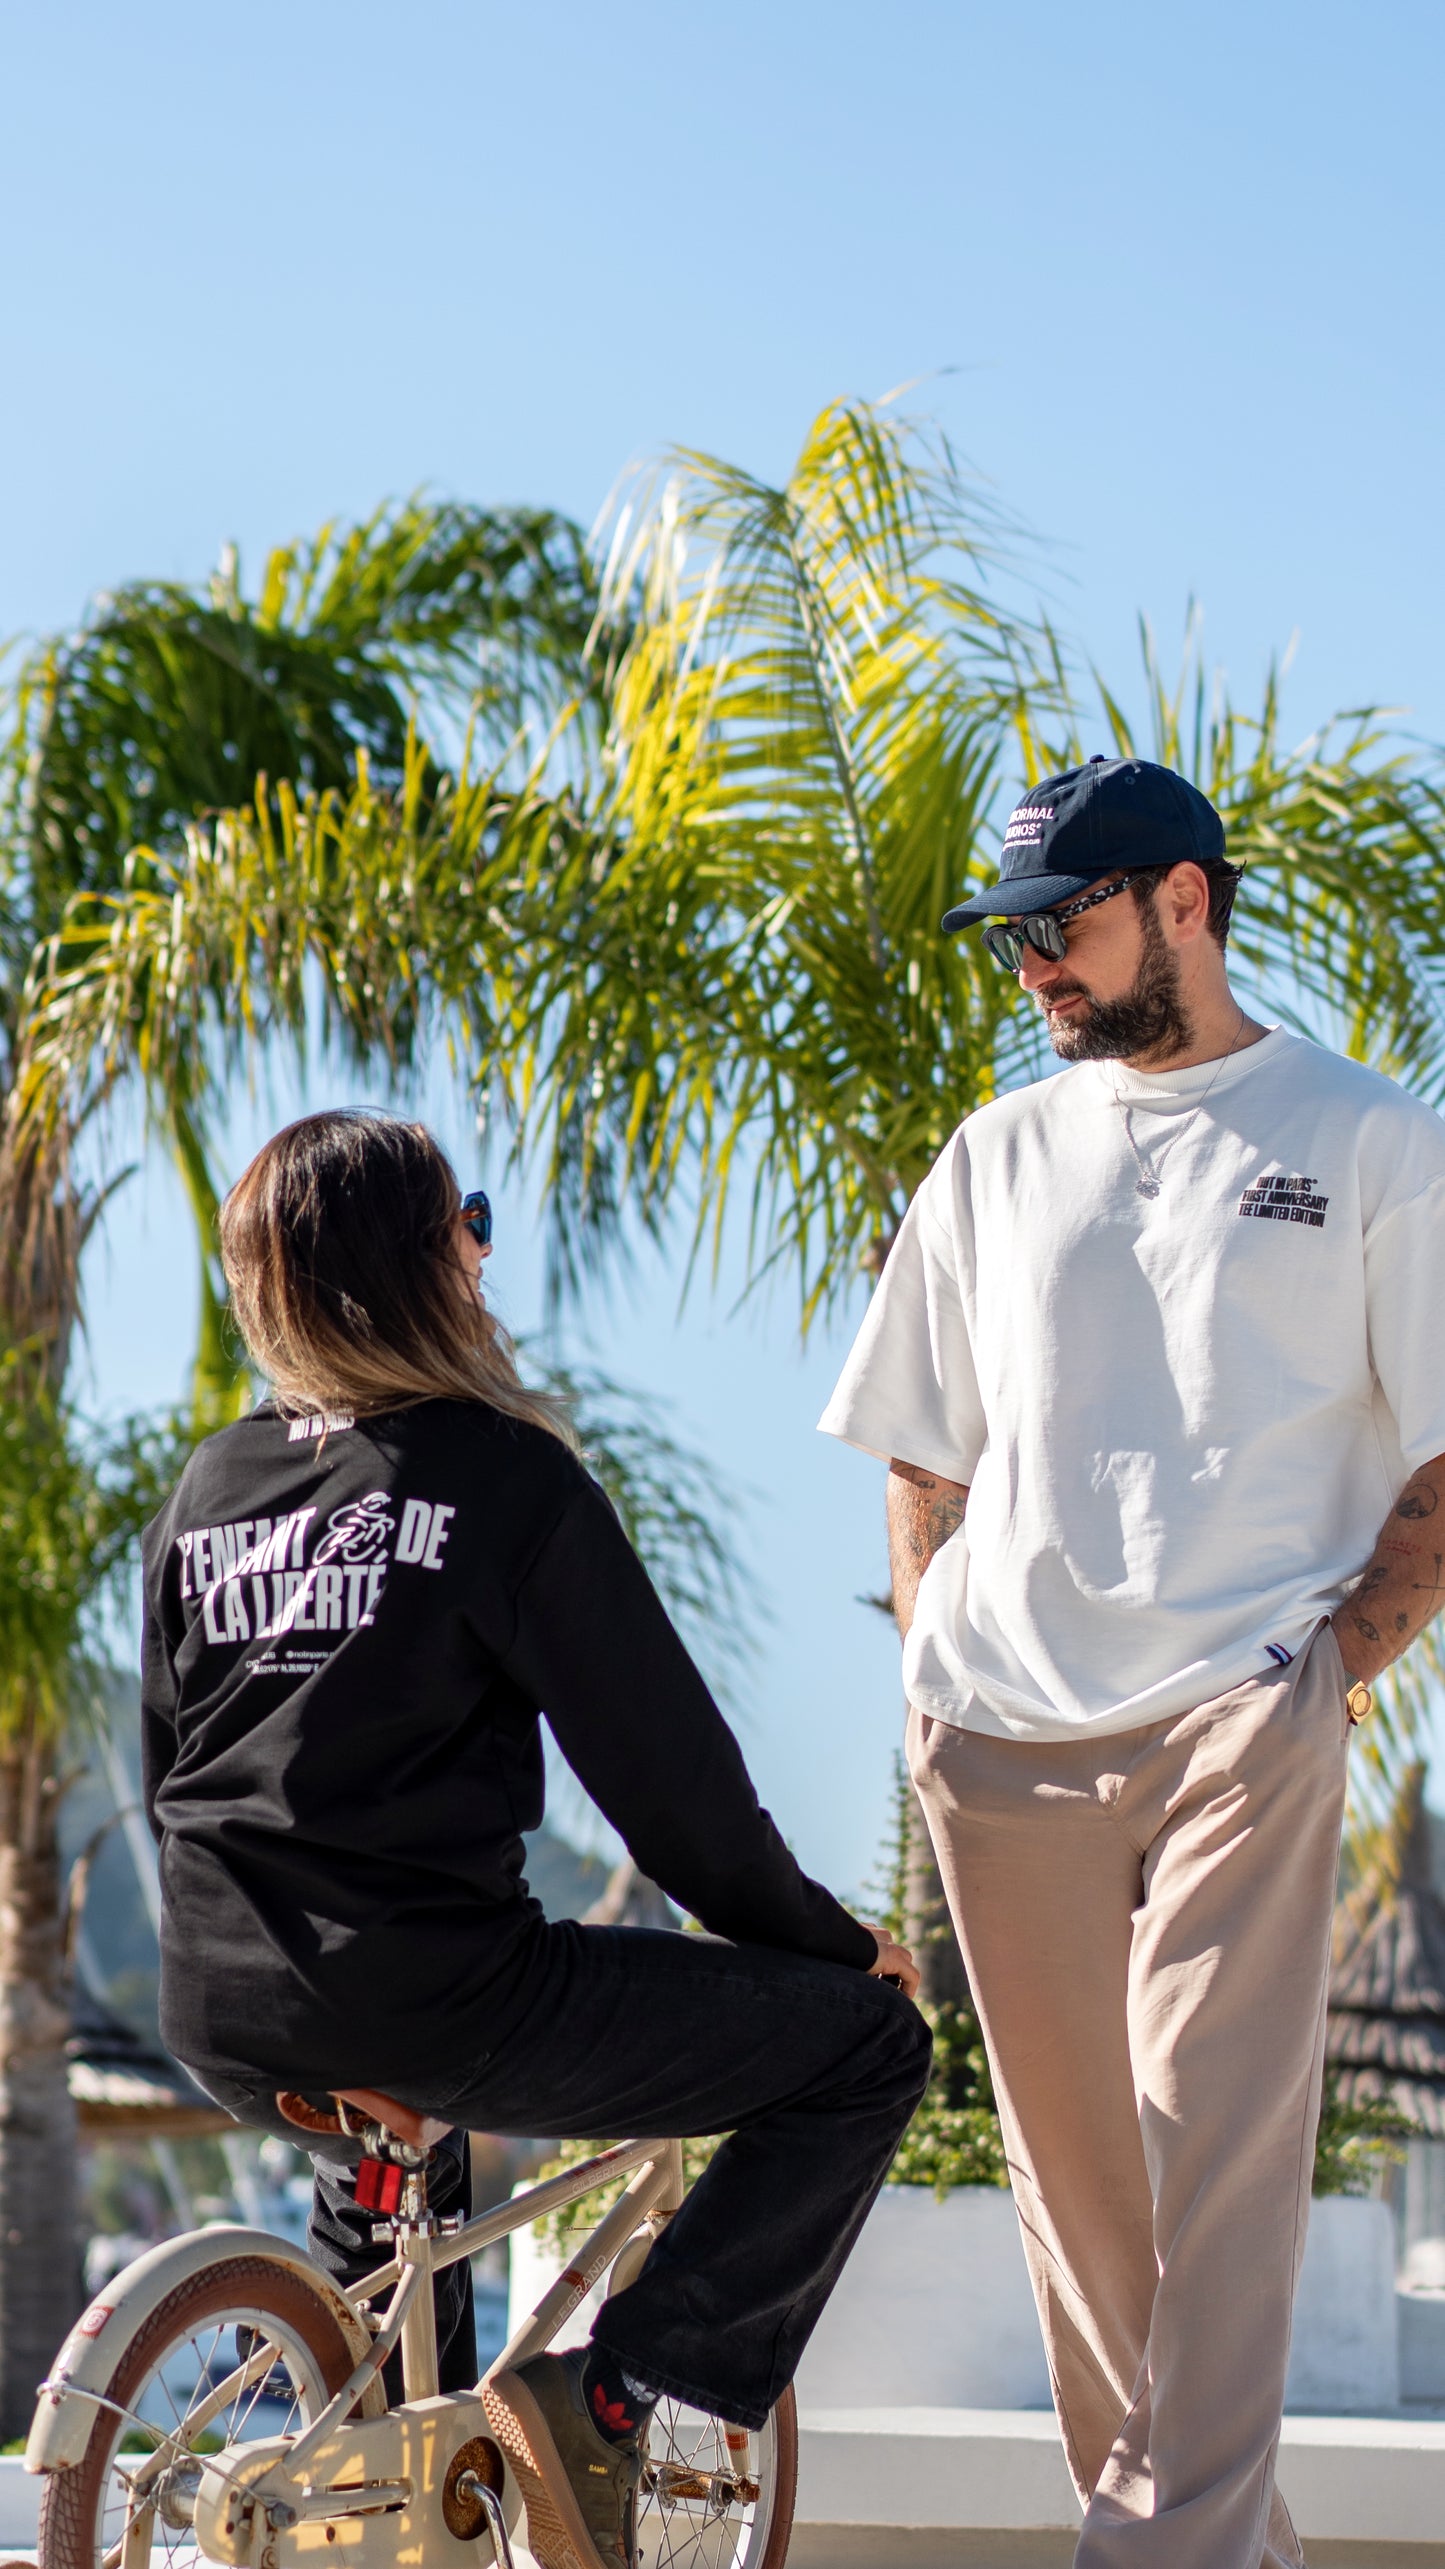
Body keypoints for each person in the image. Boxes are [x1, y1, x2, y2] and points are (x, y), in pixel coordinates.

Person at [141, 1108, 930, 2569]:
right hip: (439, 1992)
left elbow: (168, 1772)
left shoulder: (205, 1495)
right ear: (421, 1263)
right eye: (466, 1220)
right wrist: (834, 1950)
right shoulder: (502, 1479)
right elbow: (671, 1790)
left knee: (391, 2177)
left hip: (223, 1998)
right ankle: (611, 2407)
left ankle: (379, 2495)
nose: (482, 1248)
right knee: (867, 2053)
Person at [819, 755, 1445, 2569]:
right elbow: (920, 1443)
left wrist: (1326, 1668)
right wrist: (933, 1649)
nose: (1030, 967)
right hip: (998, 1728)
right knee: (1076, 2193)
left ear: (1183, 896)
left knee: (1214, 2159)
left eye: (1059, 923)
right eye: (1011, 936)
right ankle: (1205, 2549)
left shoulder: (1371, 1144)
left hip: (1242, 1711)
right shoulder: (995, 1156)